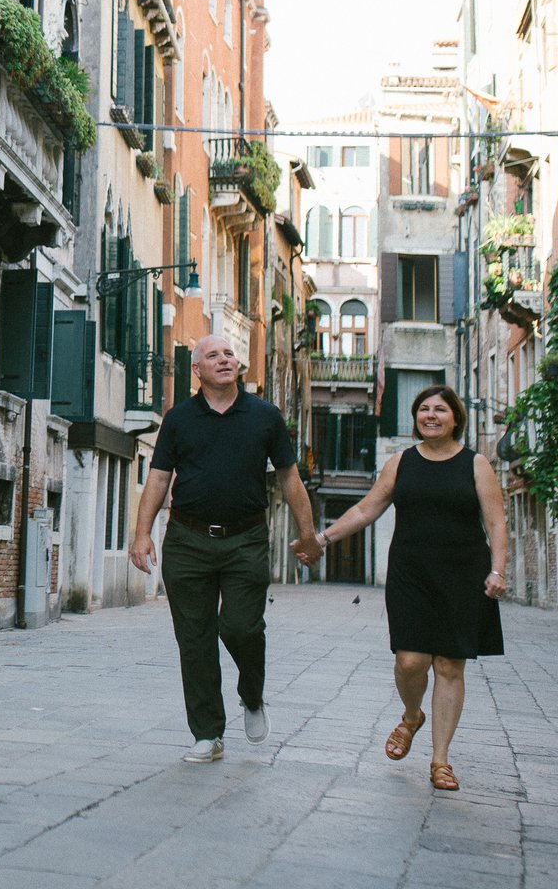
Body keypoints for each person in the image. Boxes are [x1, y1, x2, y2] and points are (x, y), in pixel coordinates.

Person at [300, 384, 506, 792]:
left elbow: (496, 521)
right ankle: (412, 715)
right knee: (410, 661)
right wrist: (321, 539)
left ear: (455, 418)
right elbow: (365, 508)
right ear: (415, 418)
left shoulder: (476, 464)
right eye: (423, 409)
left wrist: (497, 571)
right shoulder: (400, 463)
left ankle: (440, 760)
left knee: (450, 665)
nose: (431, 415)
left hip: (463, 571)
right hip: (411, 572)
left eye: (440, 410)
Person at [129, 335, 318, 764]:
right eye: (213, 355)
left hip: (245, 539)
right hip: (187, 539)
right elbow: (158, 478)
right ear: (196, 370)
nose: (224, 360)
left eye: (230, 354)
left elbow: (290, 478)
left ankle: (252, 695)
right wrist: (141, 534)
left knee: (241, 628)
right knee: (194, 639)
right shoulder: (178, 419)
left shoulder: (265, 416)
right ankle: (208, 733)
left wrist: (307, 534)